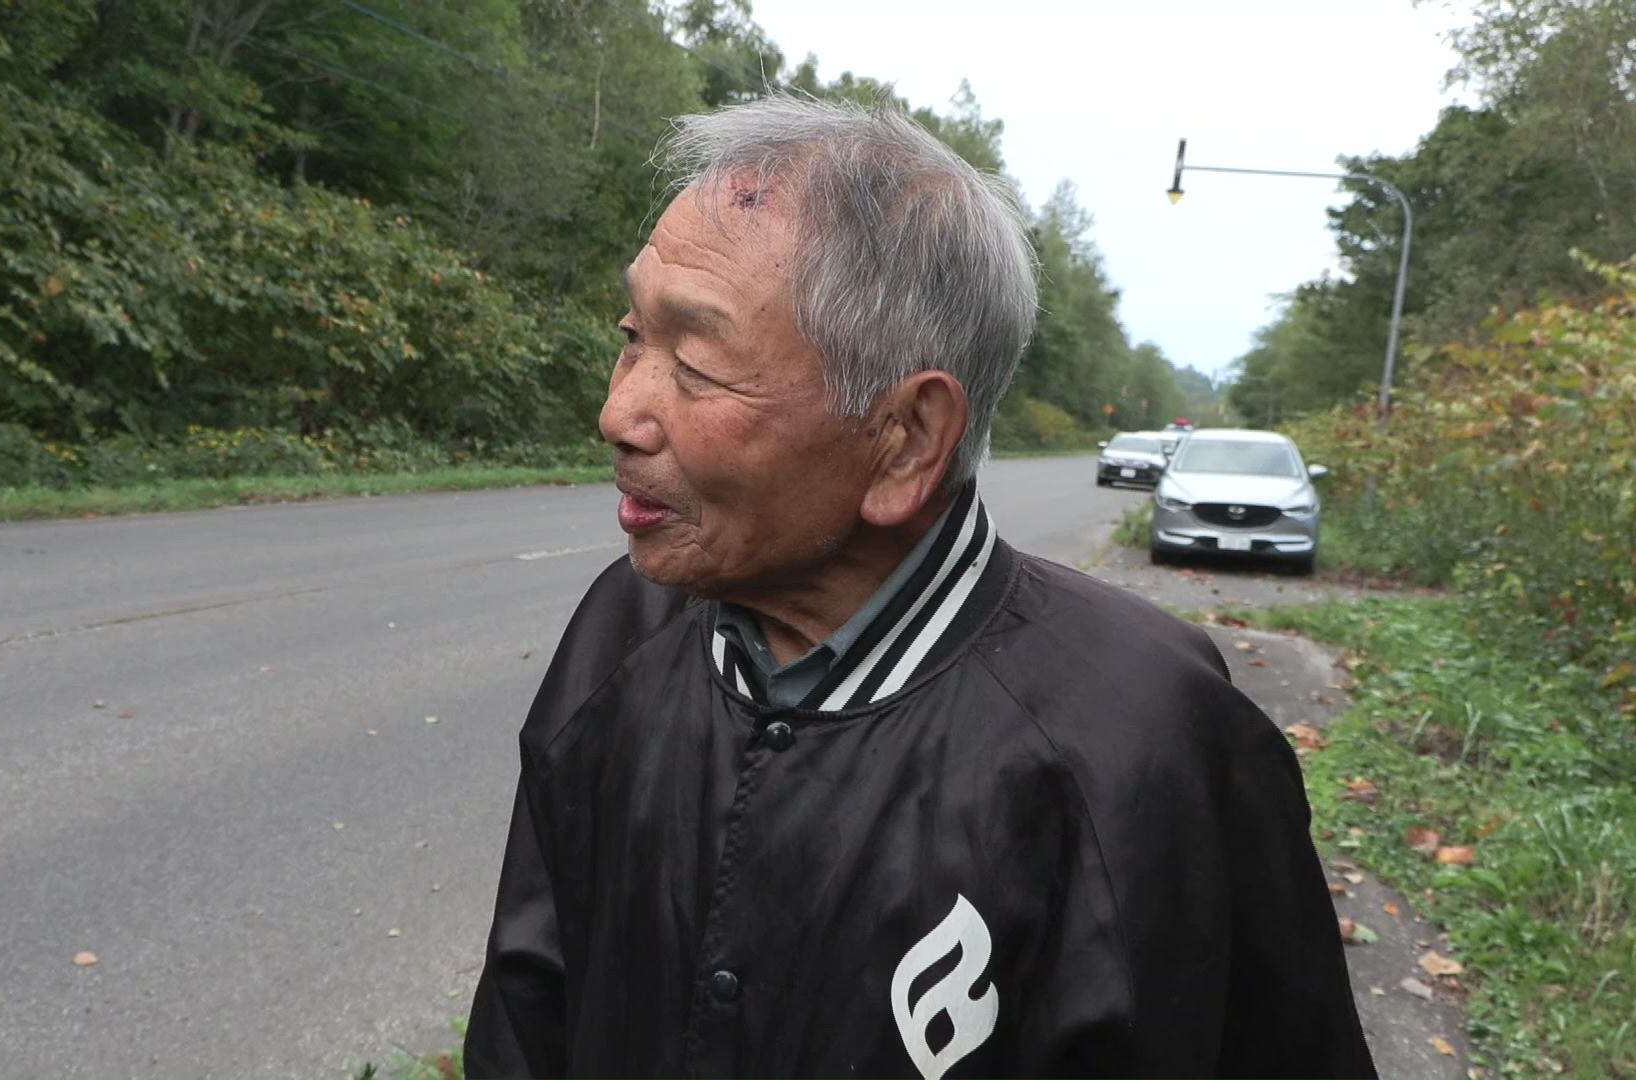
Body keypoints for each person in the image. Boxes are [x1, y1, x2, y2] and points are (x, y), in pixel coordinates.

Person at [464, 96, 1376, 1080]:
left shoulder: (1144, 739)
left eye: (695, 362)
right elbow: (531, 1000)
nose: (618, 411)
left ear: (905, 439)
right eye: (632, 335)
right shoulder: (625, 628)